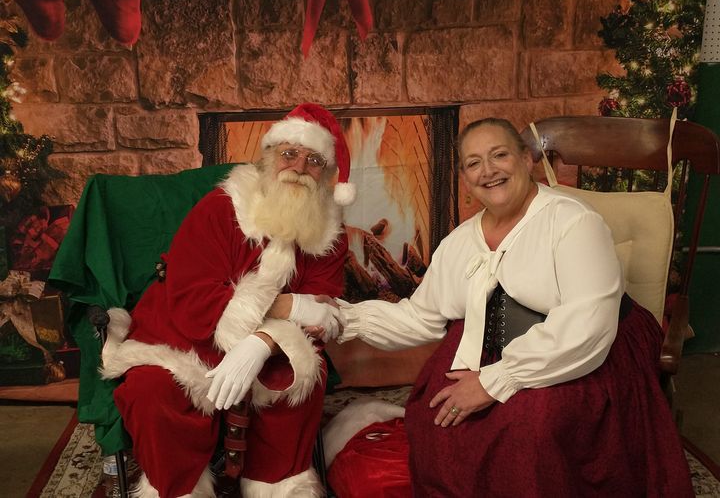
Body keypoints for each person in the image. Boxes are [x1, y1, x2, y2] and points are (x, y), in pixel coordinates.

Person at [333, 118, 694, 496]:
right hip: (503, 343)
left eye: (499, 155)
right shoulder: (459, 242)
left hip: (588, 346)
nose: (488, 170)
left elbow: (588, 327)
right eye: (474, 163)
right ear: (465, 177)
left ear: (526, 159)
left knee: (529, 427)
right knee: (433, 413)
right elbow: (420, 318)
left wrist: (493, 382)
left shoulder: (575, 222)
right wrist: (337, 318)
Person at [99, 103, 355, 497]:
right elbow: (193, 295)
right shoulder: (221, 208)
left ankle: (279, 486)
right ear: (269, 158)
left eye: (314, 160)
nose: (300, 166)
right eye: (290, 153)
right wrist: (292, 306)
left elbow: (325, 313)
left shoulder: (330, 234)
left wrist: (261, 343)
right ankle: (177, 488)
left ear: (327, 175)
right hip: (185, 331)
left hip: (275, 344)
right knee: (152, 391)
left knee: (299, 379)